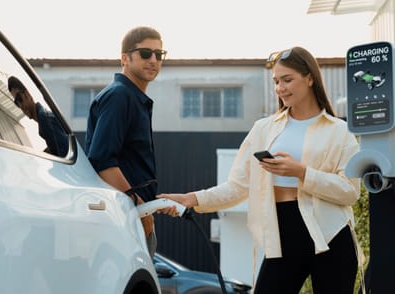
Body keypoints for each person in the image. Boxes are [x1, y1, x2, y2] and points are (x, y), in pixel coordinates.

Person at [158, 46, 362, 294]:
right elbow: (237, 187)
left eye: (287, 80)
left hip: (332, 237)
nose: (280, 88)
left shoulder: (339, 131)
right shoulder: (263, 129)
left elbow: (350, 192)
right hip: (282, 235)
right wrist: (190, 199)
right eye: (276, 81)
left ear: (310, 78)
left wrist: (301, 172)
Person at [85, 26, 167, 257]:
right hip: (123, 216)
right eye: (145, 53)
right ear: (124, 58)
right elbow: (102, 160)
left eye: (158, 54)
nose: (153, 60)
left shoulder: (132, 97)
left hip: (131, 214)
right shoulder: (120, 96)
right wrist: (140, 208)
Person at [8, 76, 69, 157]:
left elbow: (65, 156)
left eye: (19, 99)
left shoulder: (46, 120)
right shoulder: (45, 120)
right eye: (16, 103)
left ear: (27, 94)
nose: (21, 106)